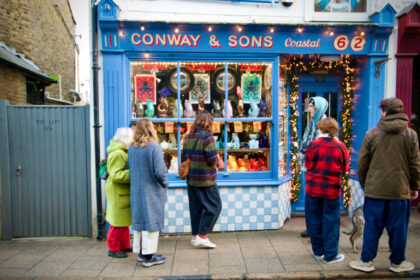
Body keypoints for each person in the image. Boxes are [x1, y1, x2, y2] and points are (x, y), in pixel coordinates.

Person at [350, 98, 420, 273]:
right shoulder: (411, 135)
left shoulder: (372, 133)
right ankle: (397, 262)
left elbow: (362, 163)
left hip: (375, 192)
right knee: (398, 229)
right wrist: (414, 186)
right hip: (400, 190)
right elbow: (415, 164)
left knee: (372, 227)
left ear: (385, 112)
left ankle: (366, 261)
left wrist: (366, 184)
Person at [305, 118, 349, 264]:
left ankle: (318, 251)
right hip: (332, 191)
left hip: (313, 189)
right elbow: (345, 169)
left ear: (322, 129)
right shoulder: (341, 147)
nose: (317, 130)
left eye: (319, 128)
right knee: (331, 222)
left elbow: (307, 165)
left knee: (314, 221)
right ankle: (330, 255)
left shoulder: (313, 145)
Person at [128, 118, 168, 267]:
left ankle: (141, 253)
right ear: (151, 129)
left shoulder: (132, 148)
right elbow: (160, 172)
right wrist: (165, 184)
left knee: (140, 221)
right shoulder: (154, 147)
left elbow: (129, 168)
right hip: (151, 191)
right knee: (151, 222)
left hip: (136, 191)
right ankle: (149, 257)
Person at [182, 111, 221, 248]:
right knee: (215, 206)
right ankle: (202, 235)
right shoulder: (207, 137)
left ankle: (195, 236)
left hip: (191, 180)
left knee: (196, 209)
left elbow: (183, 159)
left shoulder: (188, 137)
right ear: (207, 122)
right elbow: (211, 159)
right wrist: (218, 158)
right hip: (205, 180)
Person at [298, 96, 329, 238]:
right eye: (309, 106)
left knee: (318, 201)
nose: (309, 109)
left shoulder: (325, 124)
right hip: (309, 167)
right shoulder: (311, 124)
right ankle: (311, 228)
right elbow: (305, 142)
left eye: (312, 107)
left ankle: (318, 229)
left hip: (320, 168)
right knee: (310, 200)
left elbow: (322, 147)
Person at [105, 127, 134, 258]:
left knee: (123, 221)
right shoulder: (119, 153)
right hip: (118, 191)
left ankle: (124, 245)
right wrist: (133, 173)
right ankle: (113, 248)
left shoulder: (120, 151)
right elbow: (116, 175)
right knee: (117, 222)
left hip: (120, 191)